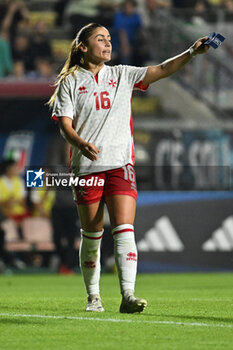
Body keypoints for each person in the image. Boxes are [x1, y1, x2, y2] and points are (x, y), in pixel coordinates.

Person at [48, 23, 209, 313]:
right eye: (100, 39)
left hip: (121, 164)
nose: (108, 43)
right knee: (92, 235)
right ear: (82, 47)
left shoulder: (122, 74)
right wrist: (81, 144)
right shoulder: (70, 82)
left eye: (109, 39)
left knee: (124, 229)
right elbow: (65, 125)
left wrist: (191, 53)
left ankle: (128, 295)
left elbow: (161, 69)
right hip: (86, 168)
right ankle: (93, 297)